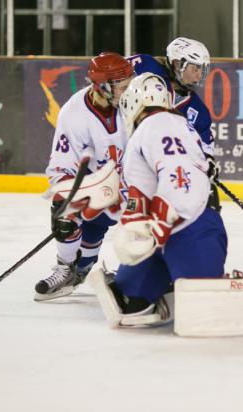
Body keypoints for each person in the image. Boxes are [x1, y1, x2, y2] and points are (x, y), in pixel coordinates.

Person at [88, 72, 228, 327]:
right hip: (163, 234)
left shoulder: (159, 124)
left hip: (191, 228)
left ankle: (179, 285)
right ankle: (169, 286)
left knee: (202, 309)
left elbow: (181, 179)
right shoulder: (161, 126)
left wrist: (159, 223)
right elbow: (141, 194)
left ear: (132, 103)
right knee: (131, 305)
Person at [34, 52, 134, 301]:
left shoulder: (137, 103)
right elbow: (61, 170)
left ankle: (147, 273)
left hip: (135, 187)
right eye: (123, 87)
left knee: (156, 224)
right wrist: (82, 194)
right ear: (102, 87)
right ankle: (68, 268)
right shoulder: (74, 113)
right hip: (98, 188)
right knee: (64, 204)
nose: (130, 91)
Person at [127, 37, 221, 211]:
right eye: (195, 68)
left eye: (202, 70)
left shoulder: (198, 111)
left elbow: (204, 152)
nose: (199, 75)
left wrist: (208, 171)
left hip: (156, 173)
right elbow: (113, 76)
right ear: (178, 64)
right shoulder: (146, 67)